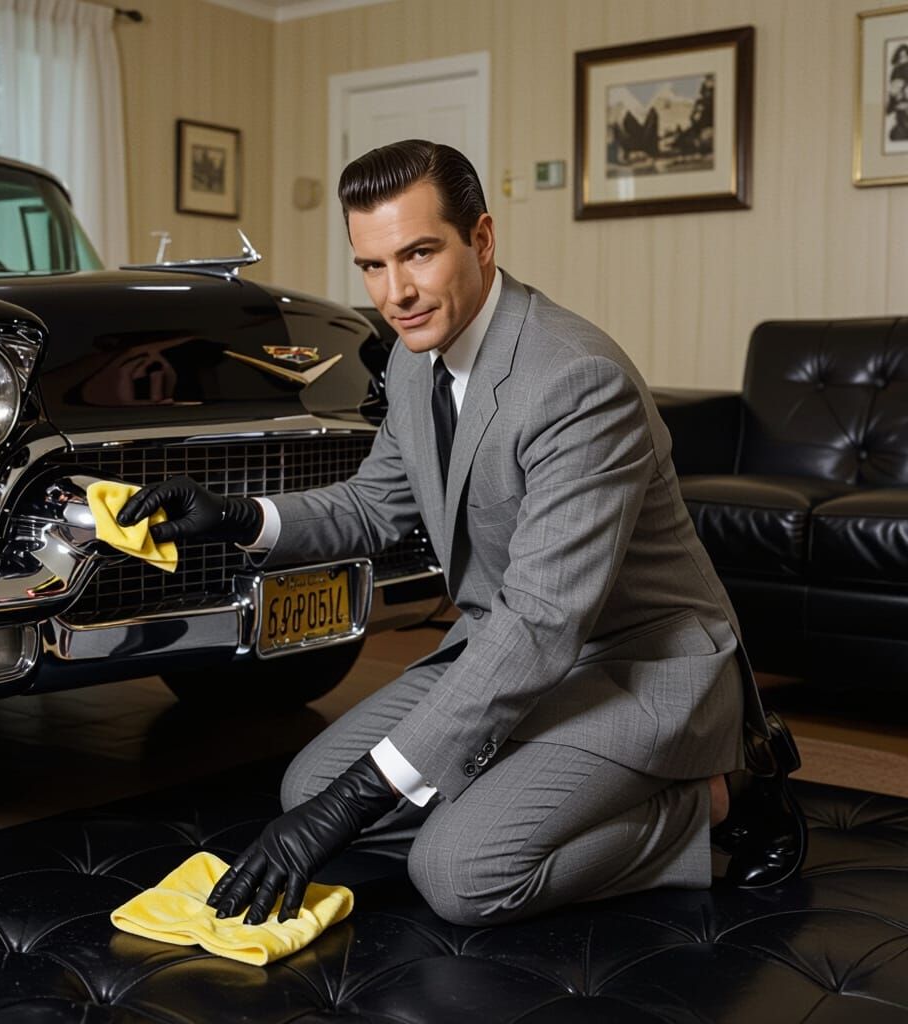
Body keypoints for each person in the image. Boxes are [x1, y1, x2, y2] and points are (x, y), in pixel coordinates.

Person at [117, 140, 806, 929]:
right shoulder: (416, 361)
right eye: (372, 266)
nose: (396, 293)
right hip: (506, 651)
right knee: (305, 789)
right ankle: (516, 786)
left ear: (481, 239)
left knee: (459, 872)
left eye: (418, 254)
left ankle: (717, 800)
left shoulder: (578, 380)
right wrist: (238, 517)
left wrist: (354, 805)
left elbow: (544, 624)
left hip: (627, 667)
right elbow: (376, 505)